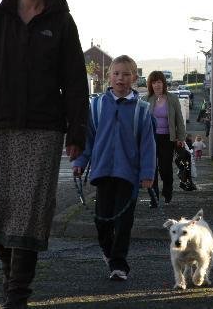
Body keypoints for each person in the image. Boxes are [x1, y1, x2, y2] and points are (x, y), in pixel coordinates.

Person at [0, 0, 88, 308]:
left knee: (31, 209)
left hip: (44, 128)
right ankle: (10, 275)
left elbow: (76, 82)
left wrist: (76, 131)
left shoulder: (61, 22)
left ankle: (17, 294)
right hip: (0, 125)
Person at [72, 55, 155, 281]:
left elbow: (148, 145)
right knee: (102, 220)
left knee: (124, 221)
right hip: (102, 172)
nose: (121, 78)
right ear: (108, 77)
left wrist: (148, 174)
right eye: (116, 74)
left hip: (129, 175)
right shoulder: (97, 105)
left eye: (126, 74)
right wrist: (79, 163)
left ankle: (119, 264)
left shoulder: (142, 109)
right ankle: (108, 253)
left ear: (134, 78)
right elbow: (88, 139)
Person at [143, 71, 186, 207]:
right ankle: (153, 198)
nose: (157, 85)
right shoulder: (145, 100)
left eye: (159, 82)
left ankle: (167, 193)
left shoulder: (172, 99)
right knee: (152, 169)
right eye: (154, 82)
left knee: (165, 168)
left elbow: (179, 119)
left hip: (168, 138)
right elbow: (141, 121)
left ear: (163, 83)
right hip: (151, 138)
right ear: (150, 84)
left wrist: (181, 138)